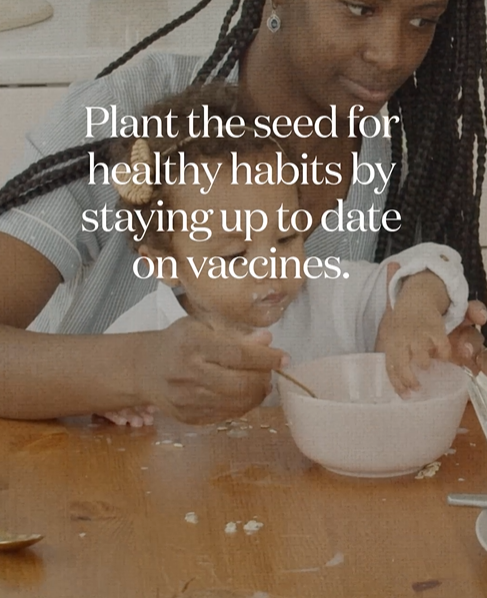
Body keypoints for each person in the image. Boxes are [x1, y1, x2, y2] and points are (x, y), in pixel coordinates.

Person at [0, 0, 485, 423]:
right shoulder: (132, 114)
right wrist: (140, 368)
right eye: (360, 8)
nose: (391, 53)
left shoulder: (410, 166)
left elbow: (406, 319)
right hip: (85, 490)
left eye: (423, 21)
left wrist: (436, 348)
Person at [97, 82, 469, 427]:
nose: (270, 266)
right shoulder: (140, 338)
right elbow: (93, 400)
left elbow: (432, 263)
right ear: (165, 263)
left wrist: (416, 308)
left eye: (287, 237)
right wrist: (112, 402)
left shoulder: (333, 297)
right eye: (236, 255)